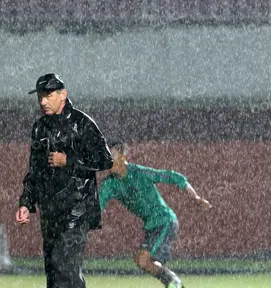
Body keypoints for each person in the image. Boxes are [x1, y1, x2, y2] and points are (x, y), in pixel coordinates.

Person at [15, 73, 113, 288]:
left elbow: (105, 160)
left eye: (48, 95)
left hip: (77, 210)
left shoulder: (82, 123)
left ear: (63, 94)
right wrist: (26, 203)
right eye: (40, 96)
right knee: (53, 274)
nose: (42, 101)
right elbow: (35, 170)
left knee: (65, 268)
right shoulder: (40, 128)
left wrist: (68, 160)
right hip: (50, 212)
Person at [99, 140, 212, 288]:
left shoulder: (139, 173)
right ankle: (174, 283)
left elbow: (174, 177)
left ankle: (175, 284)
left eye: (110, 155)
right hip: (152, 225)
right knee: (144, 262)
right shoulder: (109, 184)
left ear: (121, 156)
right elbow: (97, 206)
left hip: (165, 220)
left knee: (143, 259)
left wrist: (196, 197)